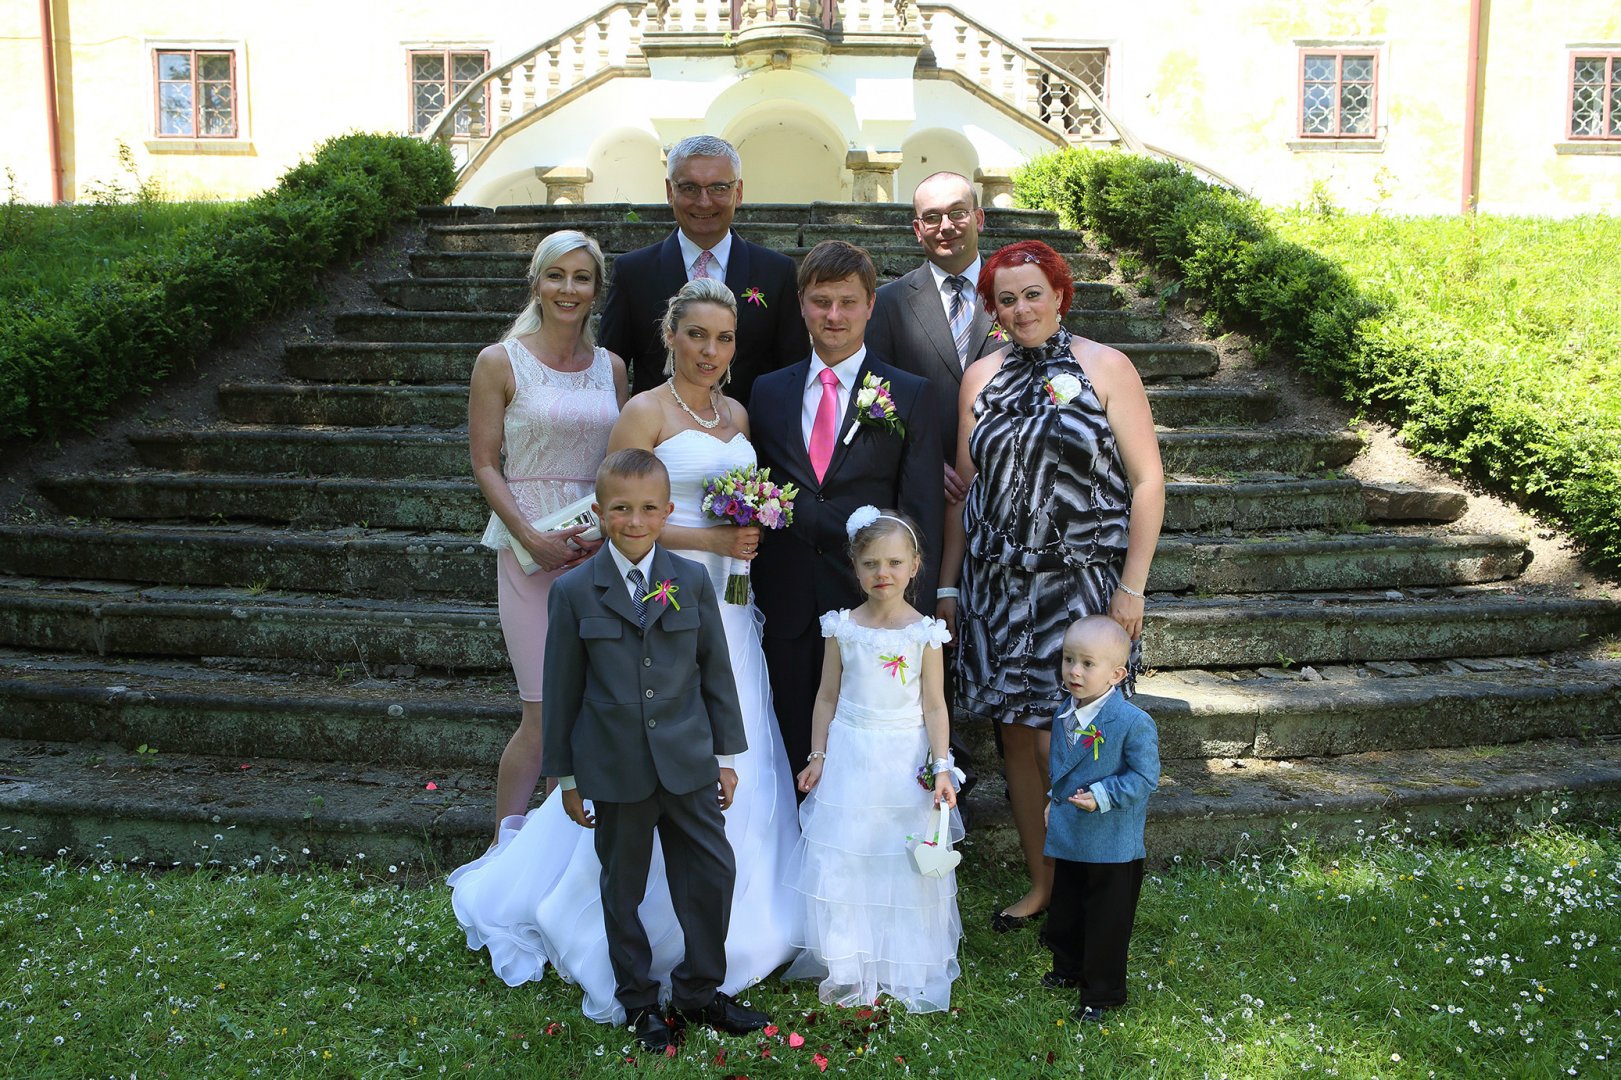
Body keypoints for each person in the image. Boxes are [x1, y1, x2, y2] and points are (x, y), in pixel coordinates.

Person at [448, 286, 797, 1039]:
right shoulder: (642, 411)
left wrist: (747, 532)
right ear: (669, 335)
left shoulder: (737, 418)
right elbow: (625, 514)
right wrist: (710, 542)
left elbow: (722, 503)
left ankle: (721, 955)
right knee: (631, 810)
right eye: (695, 334)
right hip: (655, 598)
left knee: (721, 756)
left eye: (724, 338)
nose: (710, 351)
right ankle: (634, 976)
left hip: (725, 604)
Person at [938, 239, 1164, 934]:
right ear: (992, 309)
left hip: (1081, 587)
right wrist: (948, 588)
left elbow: (1147, 481)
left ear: (1060, 294)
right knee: (1016, 739)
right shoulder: (979, 378)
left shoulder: (1106, 366)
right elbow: (963, 492)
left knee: (1074, 740)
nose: (1020, 308)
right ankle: (1043, 884)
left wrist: (1132, 587)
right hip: (998, 588)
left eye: (1032, 293)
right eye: (1005, 299)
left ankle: (1088, 886)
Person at [548, 448, 768, 1051]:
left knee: (712, 872)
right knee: (623, 886)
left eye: (649, 508)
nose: (635, 521)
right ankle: (640, 1001)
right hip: (616, 767)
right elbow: (561, 690)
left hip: (689, 759)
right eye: (621, 509)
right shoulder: (573, 592)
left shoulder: (690, 580)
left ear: (668, 511)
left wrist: (725, 758)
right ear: (599, 512)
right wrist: (565, 777)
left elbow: (715, 673)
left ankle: (699, 990)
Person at [748, 240, 944, 782]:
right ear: (801, 305)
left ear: (870, 304)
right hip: (785, 597)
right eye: (820, 301)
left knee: (868, 746)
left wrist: (915, 611)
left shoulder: (909, 393)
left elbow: (921, 509)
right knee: (791, 738)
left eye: (847, 301)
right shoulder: (767, 391)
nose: (833, 315)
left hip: (871, 601)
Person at [468, 229, 628, 841]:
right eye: (556, 275)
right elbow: (485, 463)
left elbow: (620, 462)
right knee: (541, 712)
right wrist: (529, 538)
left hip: (598, 552)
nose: (568, 288)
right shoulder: (499, 361)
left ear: (596, 290)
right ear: (536, 282)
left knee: (597, 705)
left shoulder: (612, 368)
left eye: (581, 277)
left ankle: (574, 847)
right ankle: (505, 847)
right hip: (528, 550)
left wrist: (612, 531)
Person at [786, 507, 962, 1012]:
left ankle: (903, 957)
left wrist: (942, 765)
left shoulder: (925, 633)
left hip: (902, 760)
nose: (882, 573)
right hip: (850, 755)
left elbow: (934, 705)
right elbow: (826, 697)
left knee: (898, 853)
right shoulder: (842, 627)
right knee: (848, 852)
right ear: (855, 567)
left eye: (894, 562)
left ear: (914, 566)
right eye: (870, 563)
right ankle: (848, 957)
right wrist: (818, 755)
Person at [599, 134, 806, 404]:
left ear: (738, 192)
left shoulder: (777, 273)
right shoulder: (632, 273)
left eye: (719, 187)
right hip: (658, 429)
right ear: (670, 192)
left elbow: (793, 373)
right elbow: (608, 373)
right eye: (689, 188)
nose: (704, 201)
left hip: (748, 428)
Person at [1041, 615, 1160, 1022]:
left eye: (1087, 664)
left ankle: (1101, 993)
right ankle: (1067, 967)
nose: (1074, 671)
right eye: (1068, 659)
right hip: (1072, 834)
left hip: (1112, 843)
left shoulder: (1132, 722)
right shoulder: (1065, 711)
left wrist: (1103, 795)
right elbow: (1062, 770)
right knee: (1068, 906)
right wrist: (1052, 800)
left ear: (1116, 674)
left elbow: (1145, 777)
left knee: (1107, 919)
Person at [867, 171, 1000, 507]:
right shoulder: (888, 303)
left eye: (957, 212)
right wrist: (919, 459)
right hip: (925, 492)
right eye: (932, 217)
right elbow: (875, 395)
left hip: (1008, 482)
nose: (946, 226)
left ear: (978, 218)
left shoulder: (1014, 295)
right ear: (917, 230)